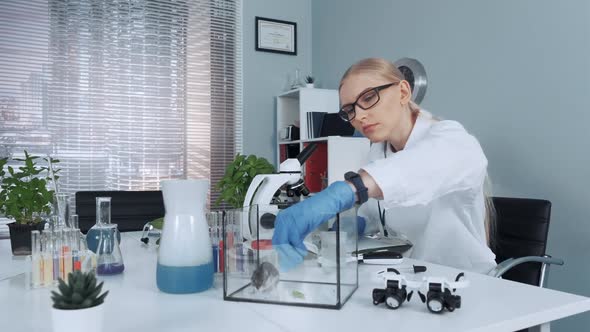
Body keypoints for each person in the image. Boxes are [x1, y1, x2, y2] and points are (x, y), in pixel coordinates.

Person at [272, 57, 496, 274]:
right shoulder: (377, 153)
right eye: (349, 110)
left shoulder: (452, 139)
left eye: (368, 98)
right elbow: (374, 212)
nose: (359, 116)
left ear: (403, 92)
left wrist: (343, 192)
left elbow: (413, 170)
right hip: (414, 277)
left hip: (468, 281)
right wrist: (350, 224)